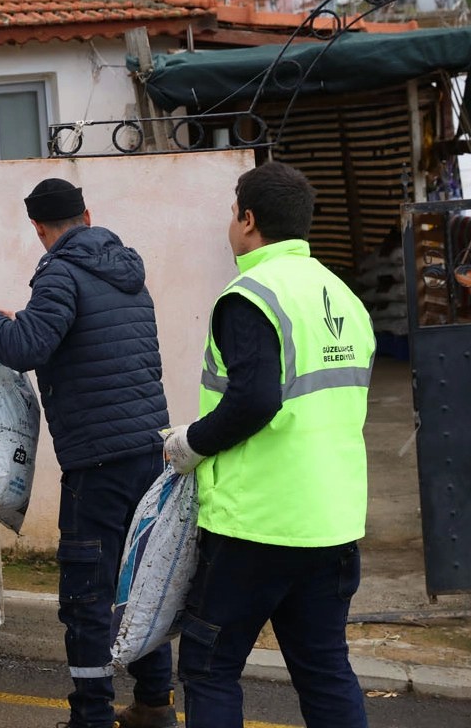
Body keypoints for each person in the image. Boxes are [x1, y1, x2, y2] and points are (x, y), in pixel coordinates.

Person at [0, 178, 176, 728]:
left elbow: (27, 347)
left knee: (87, 600)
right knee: (141, 585)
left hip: (98, 465)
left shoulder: (60, 272)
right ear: (88, 215)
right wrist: (9, 320)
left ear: (40, 230)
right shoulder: (126, 272)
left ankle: (92, 717)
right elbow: (59, 334)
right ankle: (154, 706)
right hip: (150, 452)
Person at [162, 161, 374, 727]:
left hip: (256, 526)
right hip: (331, 524)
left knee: (210, 669)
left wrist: (192, 444)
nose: (230, 225)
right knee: (325, 670)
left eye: (233, 214)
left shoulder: (250, 295)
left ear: (249, 220)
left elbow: (255, 400)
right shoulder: (343, 297)